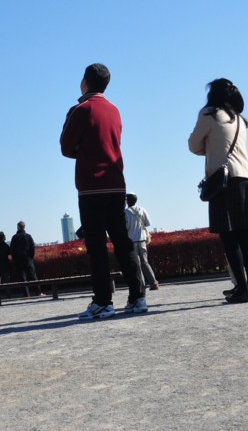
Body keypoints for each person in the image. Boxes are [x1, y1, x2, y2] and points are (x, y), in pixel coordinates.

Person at [60, 63, 147, 318]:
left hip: (91, 187)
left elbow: (66, 147)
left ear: (84, 82)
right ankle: (137, 296)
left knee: (97, 246)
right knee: (123, 242)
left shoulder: (81, 109)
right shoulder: (115, 110)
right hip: (117, 183)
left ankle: (103, 301)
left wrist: (83, 152)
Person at [189, 78, 248, 304]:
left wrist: (209, 150)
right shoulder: (239, 119)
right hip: (246, 178)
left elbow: (193, 145)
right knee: (245, 235)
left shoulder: (209, 114)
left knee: (229, 237)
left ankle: (241, 288)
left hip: (224, 181)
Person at [125, 194, 160, 290]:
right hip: (142, 239)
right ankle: (154, 283)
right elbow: (148, 223)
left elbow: (125, 227)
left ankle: (141, 285)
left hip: (131, 240)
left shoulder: (125, 212)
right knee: (145, 262)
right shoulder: (142, 209)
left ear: (127, 201)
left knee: (137, 264)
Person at [10, 221, 42, 297]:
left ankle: (26, 294)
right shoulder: (28, 236)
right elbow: (32, 248)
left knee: (22, 278)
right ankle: (38, 292)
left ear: (18, 227)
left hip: (18, 260)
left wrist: (14, 259)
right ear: (24, 227)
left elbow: (12, 250)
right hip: (28, 259)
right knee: (33, 276)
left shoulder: (14, 237)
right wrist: (30, 257)